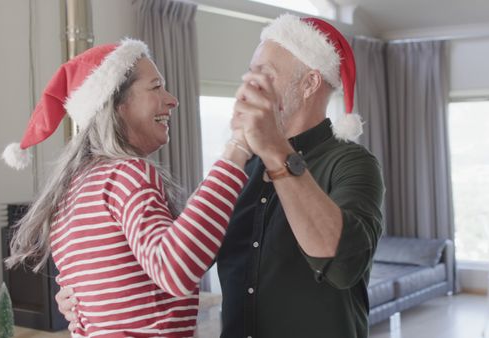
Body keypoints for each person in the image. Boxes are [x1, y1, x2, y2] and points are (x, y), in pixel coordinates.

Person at [59, 14, 385, 338]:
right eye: (250, 73)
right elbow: (178, 259)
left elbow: (342, 265)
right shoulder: (236, 170)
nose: (248, 85)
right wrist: (90, 295)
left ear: (310, 83)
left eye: (264, 74)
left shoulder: (353, 163)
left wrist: (276, 151)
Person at [2, 39, 252, 337]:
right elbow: (174, 271)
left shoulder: (71, 190)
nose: (172, 100)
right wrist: (236, 151)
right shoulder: (127, 174)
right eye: (156, 86)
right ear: (118, 104)